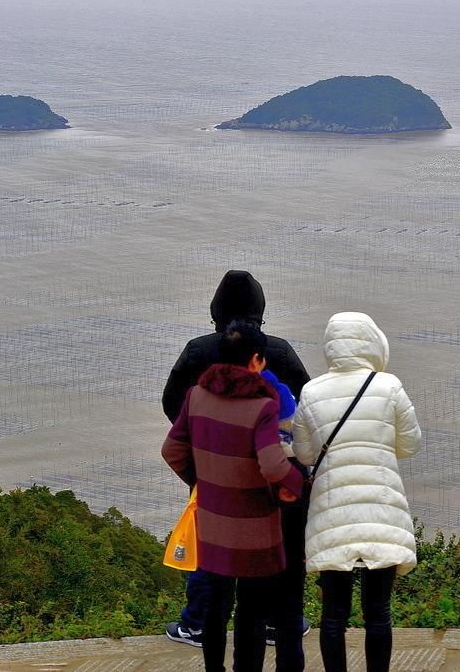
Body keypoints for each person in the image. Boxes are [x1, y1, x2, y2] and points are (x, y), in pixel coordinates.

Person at [163, 270, 310, 655]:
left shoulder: (198, 351)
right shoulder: (277, 351)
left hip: (212, 468)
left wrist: (203, 461)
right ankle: (278, 624)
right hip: (272, 470)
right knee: (274, 547)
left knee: (211, 543)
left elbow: (173, 407)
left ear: (216, 311)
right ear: (260, 311)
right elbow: (306, 408)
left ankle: (196, 623)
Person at [292, 311, 421, 672]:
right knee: (377, 611)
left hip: (332, 515)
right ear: (372, 341)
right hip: (381, 511)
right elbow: (410, 444)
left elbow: (304, 454)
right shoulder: (389, 386)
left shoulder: (311, 391)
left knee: (333, 613)